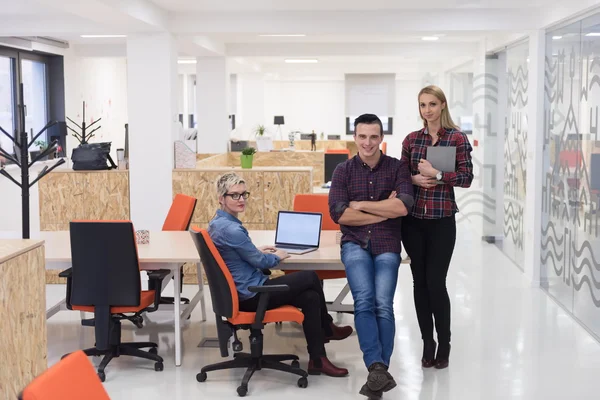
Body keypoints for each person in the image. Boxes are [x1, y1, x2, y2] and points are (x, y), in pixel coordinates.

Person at [208, 172, 352, 377]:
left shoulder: (217, 224)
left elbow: (237, 255)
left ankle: (318, 359)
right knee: (311, 277)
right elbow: (260, 262)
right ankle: (327, 327)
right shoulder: (231, 230)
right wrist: (278, 255)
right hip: (252, 295)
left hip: (243, 292)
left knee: (311, 297)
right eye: (234, 195)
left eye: (244, 194)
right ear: (221, 198)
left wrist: (255, 249)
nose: (241, 200)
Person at [328, 114, 414, 399]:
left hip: (388, 244)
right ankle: (377, 367)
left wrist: (363, 206)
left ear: (381, 139)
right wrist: (382, 208)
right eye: (362, 136)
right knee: (364, 300)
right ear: (355, 137)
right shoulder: (343, 170)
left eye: (373, 137)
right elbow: (339, 213)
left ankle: (379, 370)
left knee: (382, 303)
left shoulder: (397, 168)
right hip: (354, 245)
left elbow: (402, 208)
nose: (368, 142)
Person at [400, 85, 473, 370]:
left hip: (442, 220)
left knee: (435, 282)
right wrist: (414, 180)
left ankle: (444, 342)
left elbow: (466, 178)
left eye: (432, 104)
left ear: (442, 105)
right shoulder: (411, 139)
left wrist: (438, 174)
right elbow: (399, 176)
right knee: (419, 282)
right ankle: (427, 342)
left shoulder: (456, 138)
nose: (427, 110)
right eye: (422, 105)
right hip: (413, 221)